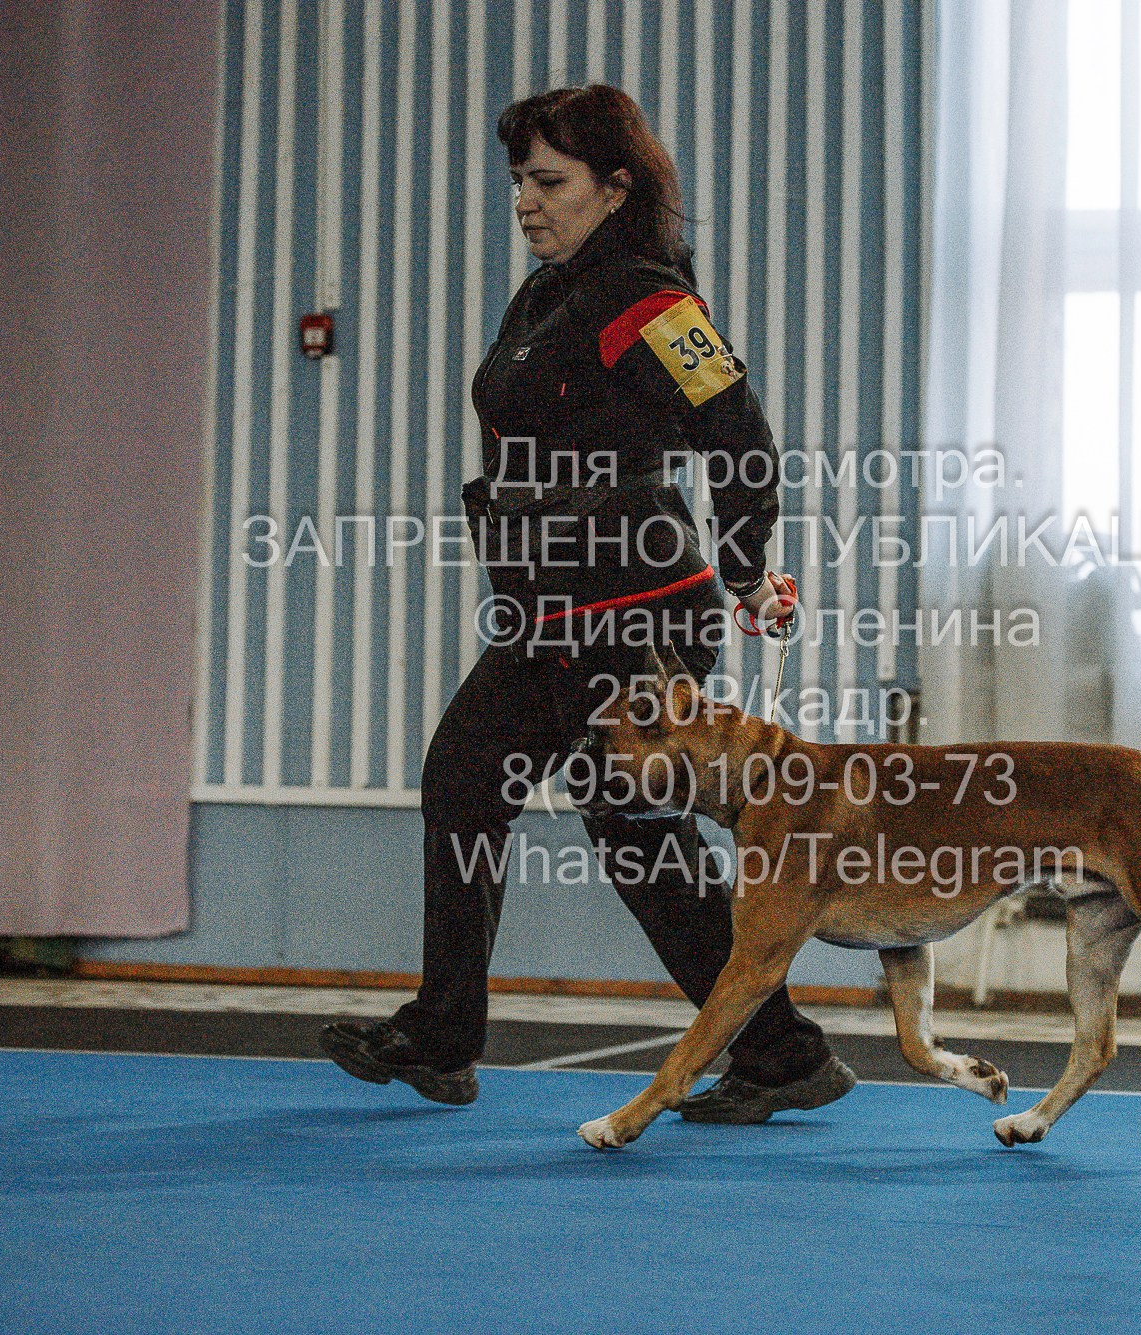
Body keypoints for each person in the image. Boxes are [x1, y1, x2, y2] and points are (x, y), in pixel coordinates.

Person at [320, 85, 856, 1124]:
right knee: (464, 784)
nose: (525, 200)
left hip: (640, 614)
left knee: (635, 835)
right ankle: (441, 1035)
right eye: (518, 179)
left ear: (616, 188)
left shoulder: (649, 299)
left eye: (549, 181)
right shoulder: (542, 297)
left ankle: (781, 1053)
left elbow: (736, 440)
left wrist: (745, 569)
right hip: (545, 619)